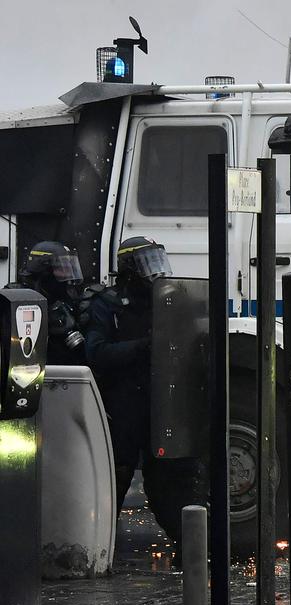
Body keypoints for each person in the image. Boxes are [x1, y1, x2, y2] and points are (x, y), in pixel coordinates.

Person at [85, 236, 205, 566]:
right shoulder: (107, 305)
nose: (156, 272)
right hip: (123, 403)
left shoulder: (170, 301)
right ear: (129, 269)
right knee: (118, 475)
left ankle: (189, 549)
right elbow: (95, 352)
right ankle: (98, 550)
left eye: (157, 262)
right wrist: (140, 347)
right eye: (147, 263)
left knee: (172, 479)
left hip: (160, 404)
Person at [6, 241, 89, 366]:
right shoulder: (16, 299)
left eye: (69, 268)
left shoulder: (67, 298)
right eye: (63, 268)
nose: (68, 274)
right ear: (45, 270)